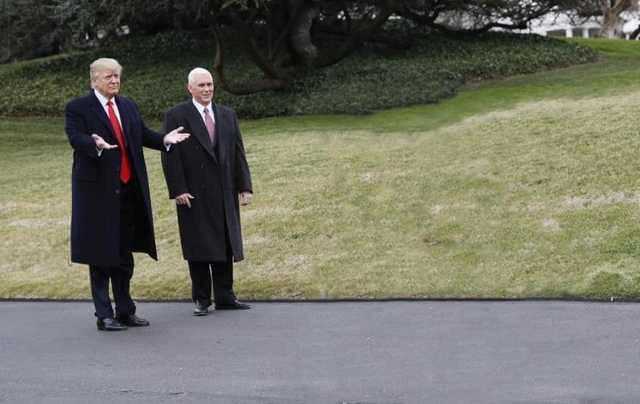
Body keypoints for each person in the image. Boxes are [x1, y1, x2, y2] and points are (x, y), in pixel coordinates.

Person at [65, 58, 190, 331]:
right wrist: (93, 142)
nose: (114, 81)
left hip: (127, 190)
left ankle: (125, 310)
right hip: (97, 195)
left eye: (117, 76)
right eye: (109, 77)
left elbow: (141, 135)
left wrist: (164, 140)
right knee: (100, 255)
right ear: (94, 80)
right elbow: (75, 137)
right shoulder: (78, 108)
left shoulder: (128, 105)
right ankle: (104, 315)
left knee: (124, 254)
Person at [161, 67, 253, 316]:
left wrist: (244, 185)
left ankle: (225, 296)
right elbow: (170, 156)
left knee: (224, 244)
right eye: (201, 85)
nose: (207, 89)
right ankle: (202, 298)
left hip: (224, 190)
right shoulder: (176, 115)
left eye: (210, 84)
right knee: (198, 245)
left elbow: (237, 151)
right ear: (189, 88)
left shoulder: (227, 115)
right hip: (193, 193)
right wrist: (177, 189)